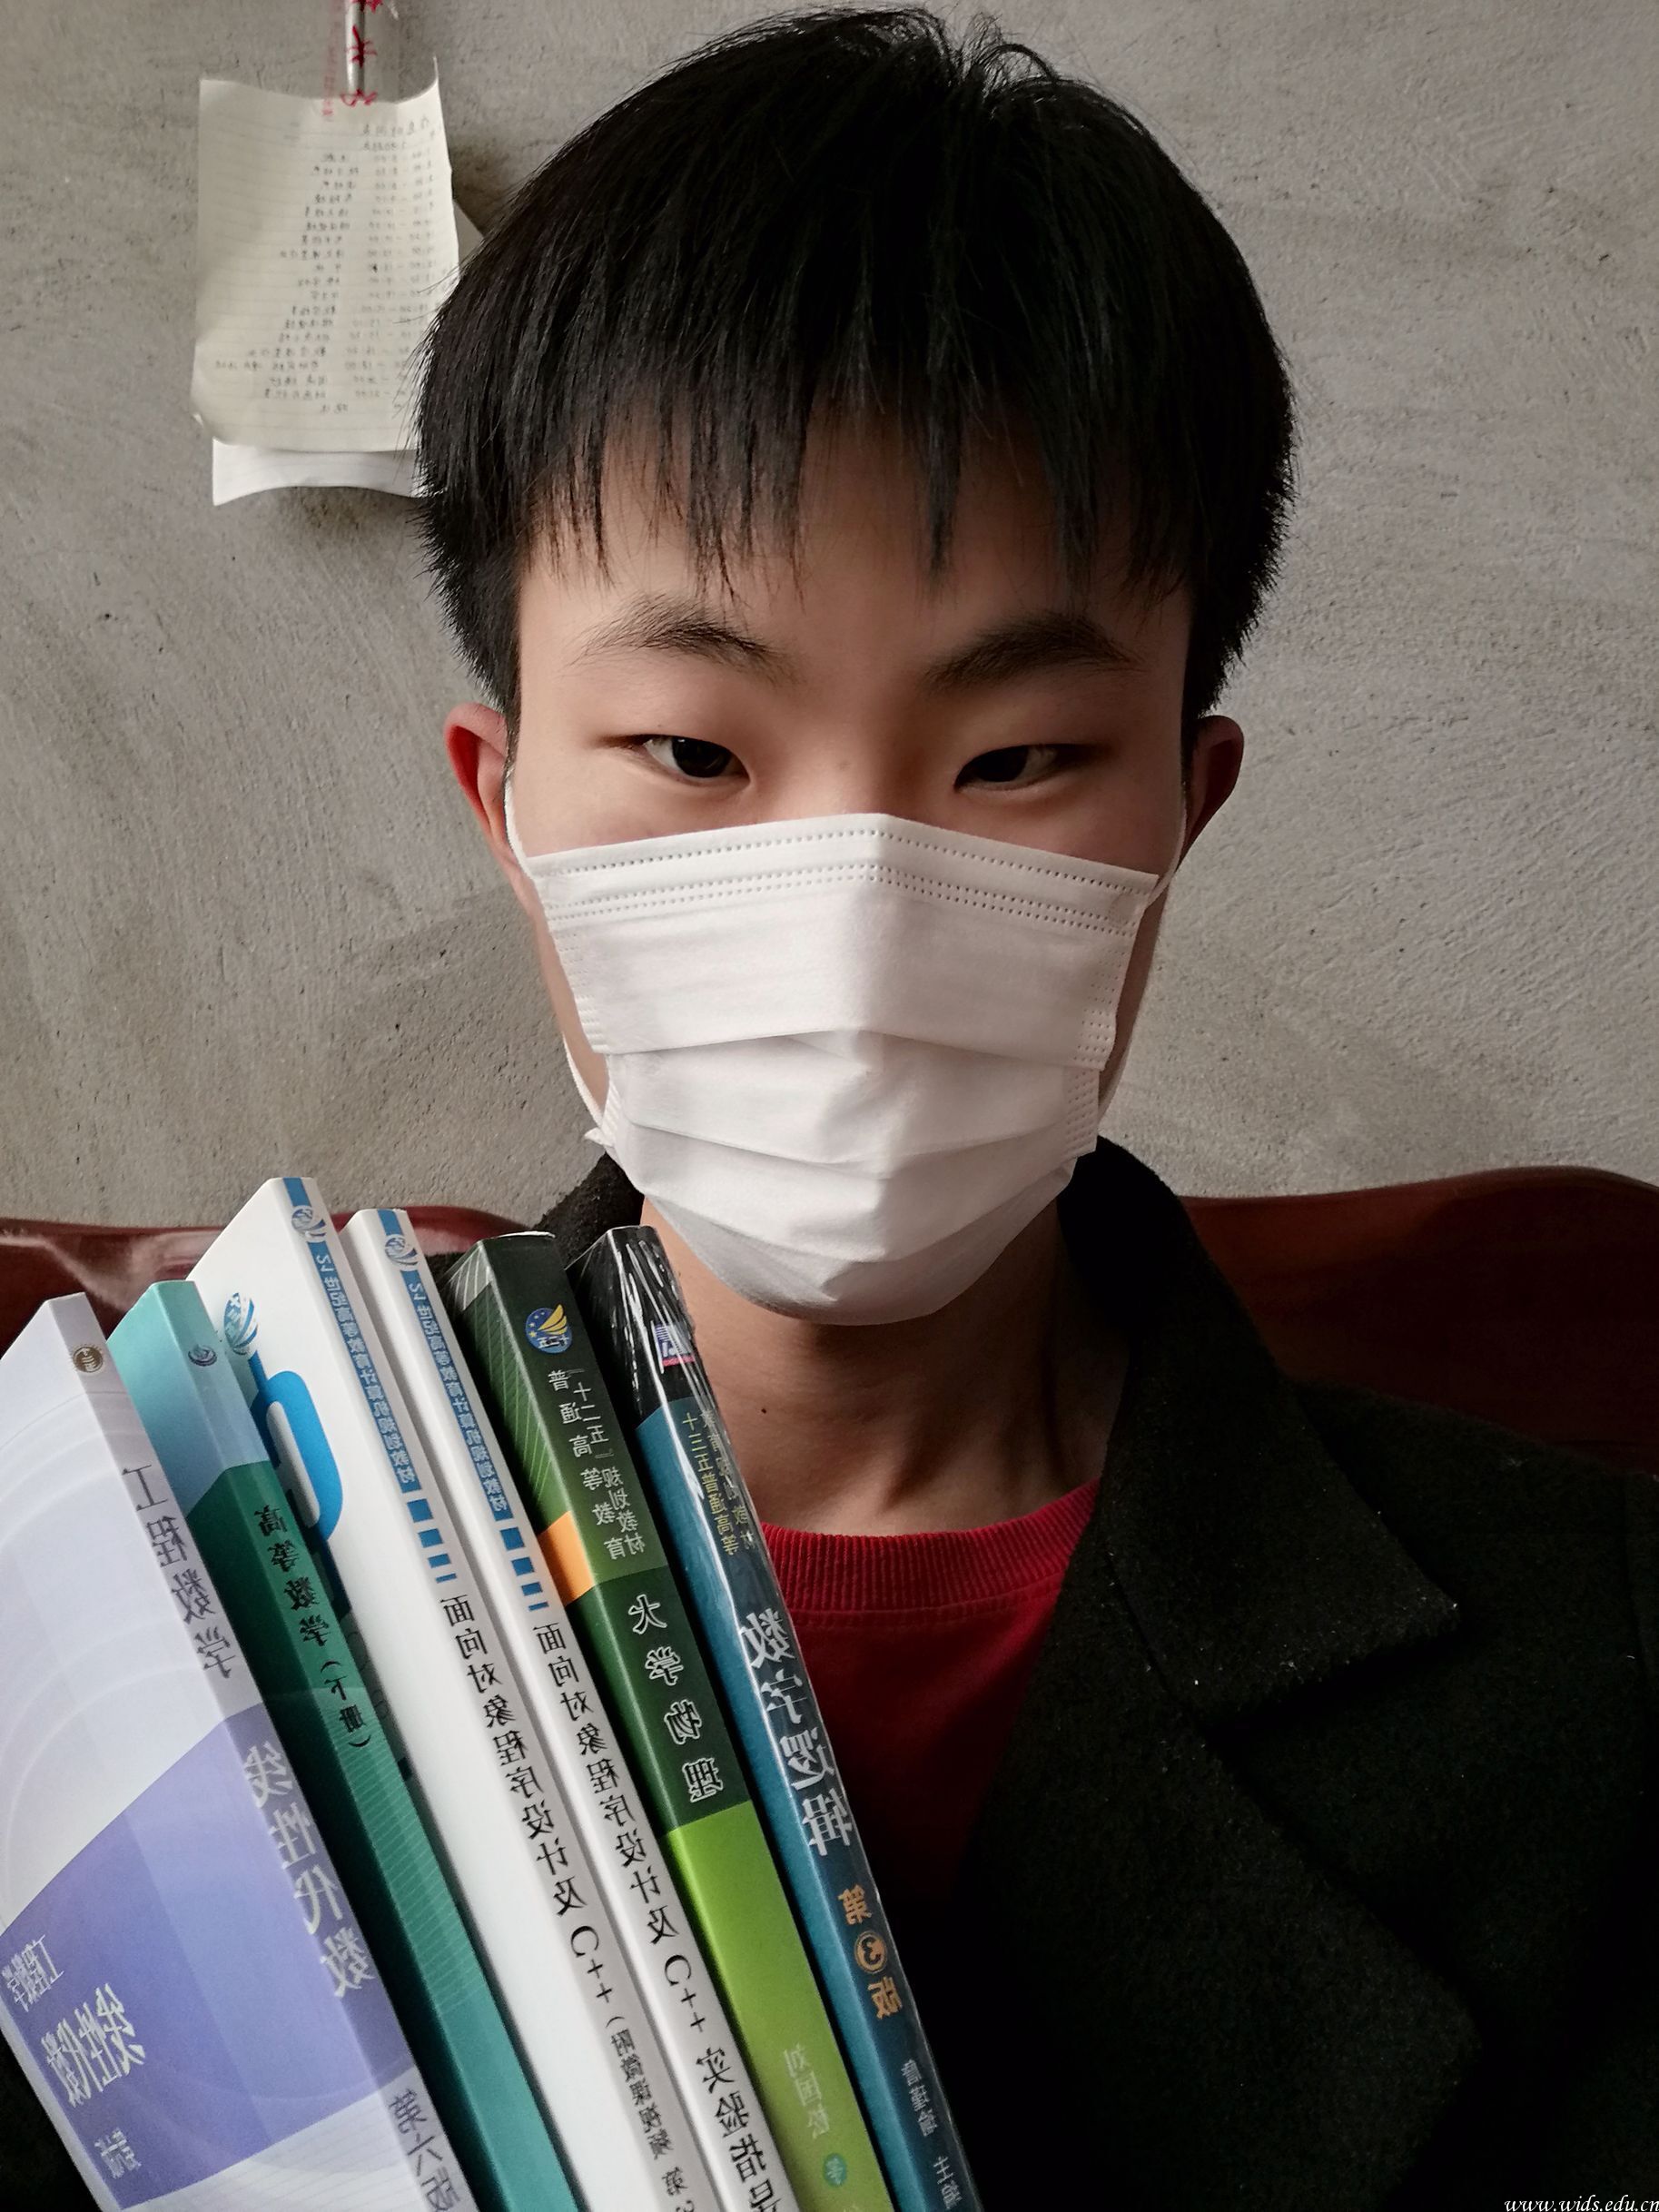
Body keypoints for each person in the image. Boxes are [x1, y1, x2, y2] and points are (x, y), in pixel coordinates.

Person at [414, 9, 1659, 2202]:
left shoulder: (1606, 1667)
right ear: (503, 807)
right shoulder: (159, 1594)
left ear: (1183, 806)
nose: (853, 920)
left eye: (1012, 762)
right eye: (693, 753)